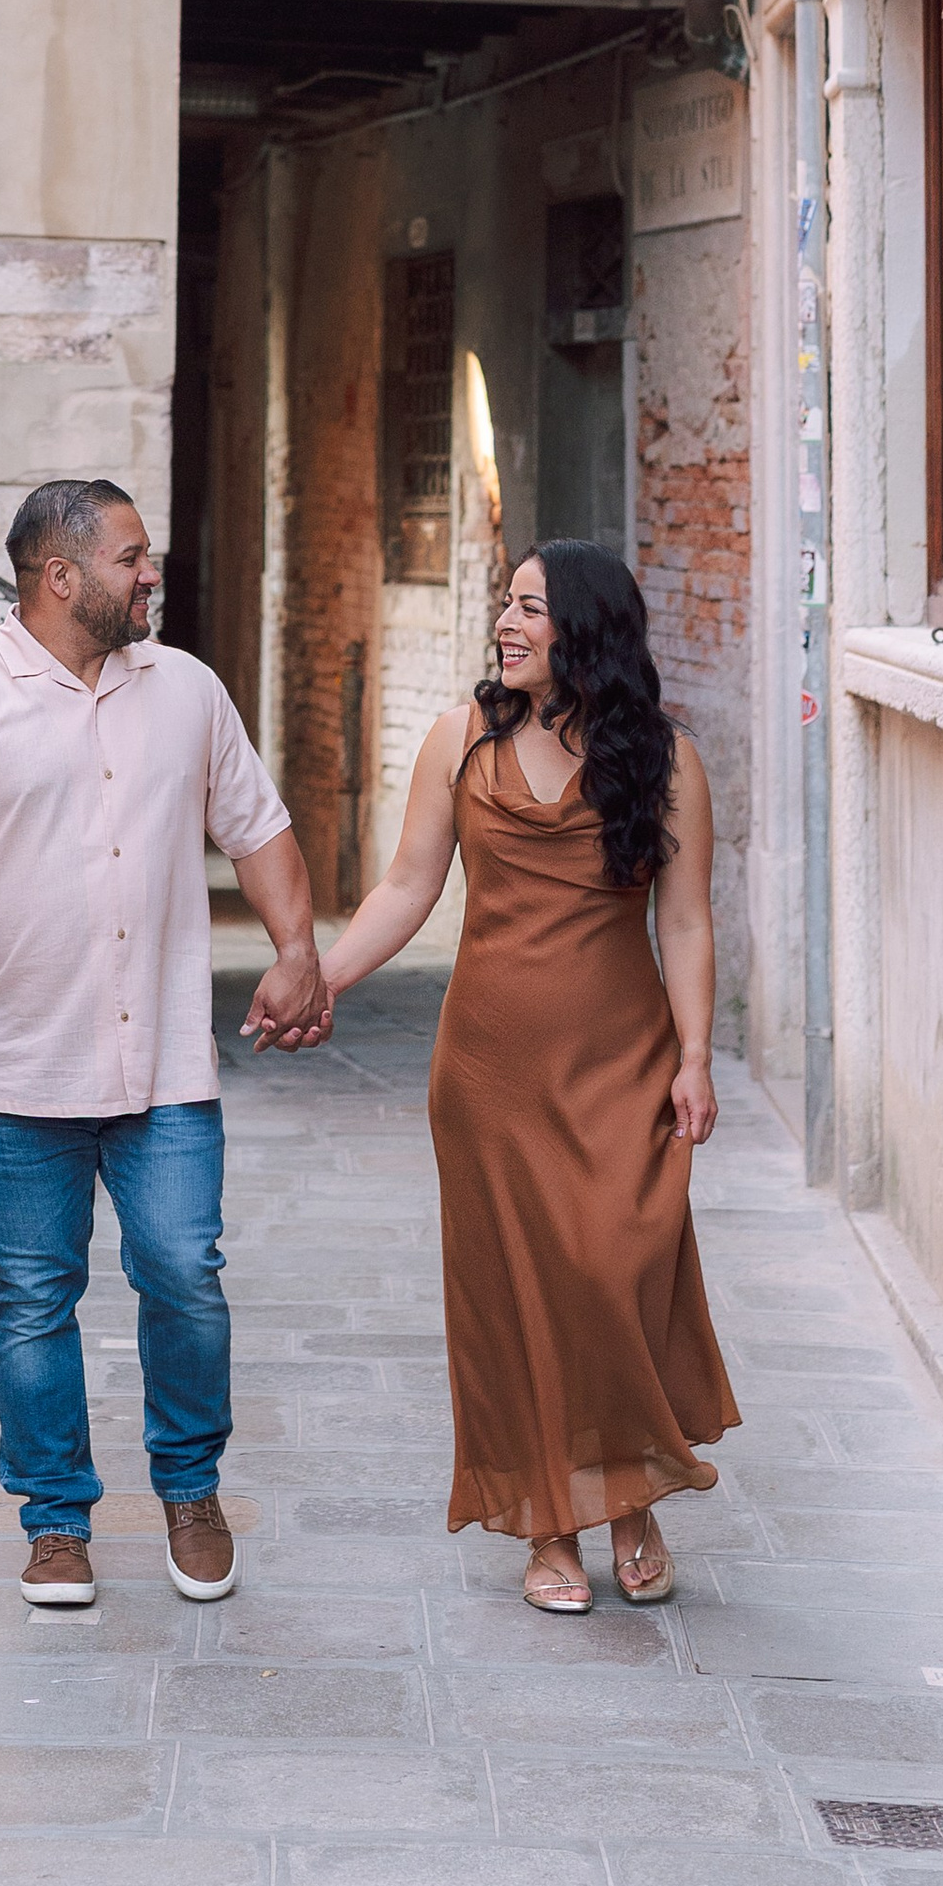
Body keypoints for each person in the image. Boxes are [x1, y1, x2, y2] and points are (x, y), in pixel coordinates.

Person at [0, 478, 329, 1609]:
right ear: (60, 576)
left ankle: (189, 1488)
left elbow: (256, 826)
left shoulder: (188, 691)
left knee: (183, 1275)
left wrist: (300, 945)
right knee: (31, 1296)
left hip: (166, 1062)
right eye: (130, 557)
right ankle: (56, 1520)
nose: (150, 572)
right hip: (22, 1066)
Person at [308, 540, 739, 1614]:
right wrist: (319, 980)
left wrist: (694, 1053)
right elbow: (407, 884)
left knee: (614, 1274)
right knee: (516, 1297)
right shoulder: (459, 741)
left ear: (583, 629)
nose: (504, 621)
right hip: (490, 1074)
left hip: (620, 1064)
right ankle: (549, 1521)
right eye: (503, 601)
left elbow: (684, 917)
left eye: (529, 607)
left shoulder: (664, 757)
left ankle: (630, 1496)